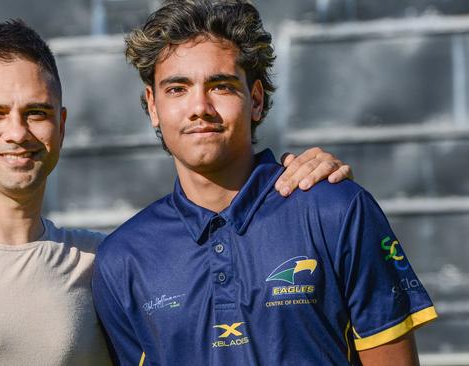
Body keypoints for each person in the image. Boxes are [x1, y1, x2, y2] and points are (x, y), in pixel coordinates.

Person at [0, 20, 351, 365]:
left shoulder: (104, 263)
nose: (17, 132)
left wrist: (302, 173)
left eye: (36, 113)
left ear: (62, 125)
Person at [92, 1, 437, 365]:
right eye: (177, 89)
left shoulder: (337, 210)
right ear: (153, 107)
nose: (200, 107)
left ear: (255, 100)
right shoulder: (121, 258)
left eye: (220, 86)